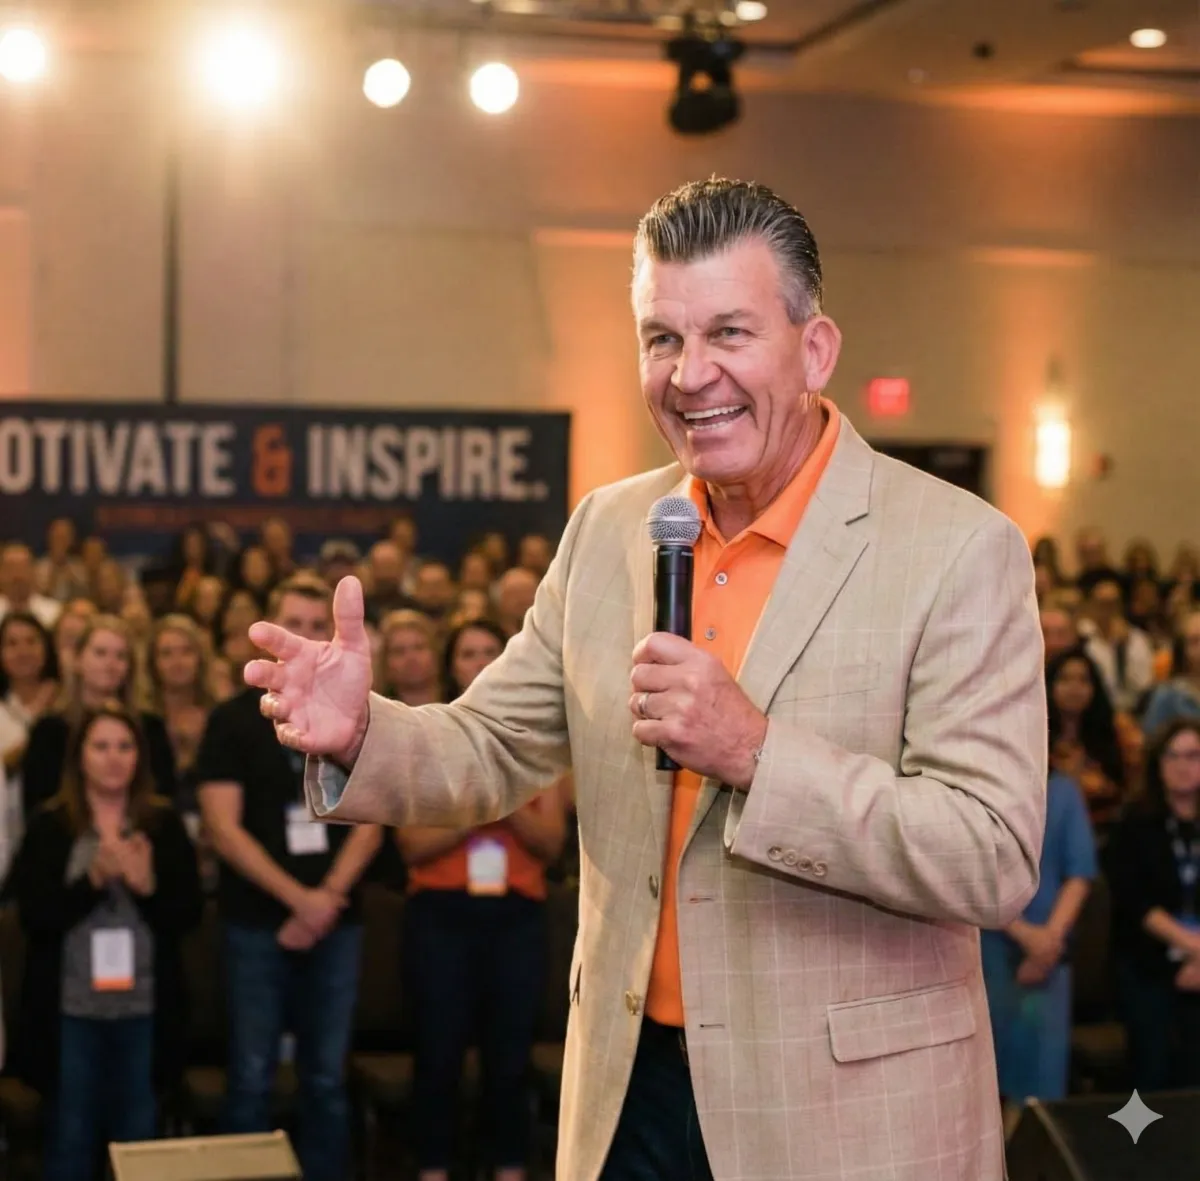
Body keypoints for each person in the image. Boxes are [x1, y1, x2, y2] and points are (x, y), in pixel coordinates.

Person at [246, 179, 1047, 1181]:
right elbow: (494, 744)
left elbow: (993, 853)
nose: (690, 373)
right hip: (630, 1094)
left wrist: (756, 752)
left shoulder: (956, 547)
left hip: (842, 1116)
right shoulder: (611, 529)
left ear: (815, 347)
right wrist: (364, 731)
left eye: (729, 333)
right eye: (661, 338)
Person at [197, 574, 382, 1181]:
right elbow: (223, 829)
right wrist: (299, 900)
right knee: (251, 1074)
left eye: (314, 624)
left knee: (327, 1078)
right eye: (292, 624)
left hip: (337, 921)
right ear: (269, 637)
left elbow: (374, 817)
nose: (303, 635)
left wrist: (324, 900)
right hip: (256, 922)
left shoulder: (357, 711)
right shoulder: (230, 720)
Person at [398, 619, 569, 1181]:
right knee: (438, 1056)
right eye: (466, 653)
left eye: (488, 652)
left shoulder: (541, 745)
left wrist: (500, 784)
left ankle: (510, 1168)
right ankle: (432, 1168)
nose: (477, 662)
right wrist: (484, 800)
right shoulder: (429, 734)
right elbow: (413, 844)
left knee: (509, 1060)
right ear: (452, 665)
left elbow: (549, 844)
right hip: (440, 918)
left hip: (516, 917)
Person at [8, 703, 201, 1180]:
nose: (113, 758)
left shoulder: (162, 824)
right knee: (70, 1137)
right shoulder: (51, 825)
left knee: (138, 1136)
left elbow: (187, 914)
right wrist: (91, 880)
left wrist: (147, 888)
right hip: (70, 1011)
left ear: (140, 756)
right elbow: (34, 916)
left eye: (124, 746)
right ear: (79, 757)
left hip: (144, 1010)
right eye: (100, 746)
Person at [980, 771, 1096, 1109]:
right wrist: (1025, 934)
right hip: (986, 948)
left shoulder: (1063, 790)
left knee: (1043, 1083)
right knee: (987, 1080)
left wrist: (1047, 941)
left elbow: (1080, 873)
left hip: (1050, 954)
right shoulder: (980, 786)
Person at [1106, 718, 1200, 1090]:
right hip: (1147, 965)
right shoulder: (1133, 824)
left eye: (1193, 755)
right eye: (1171, 755)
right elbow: (1136, 902)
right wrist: (1193, 947)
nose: (1182, 765)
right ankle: (1143, 1148)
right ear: (1156, 765)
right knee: (1153, 1071)